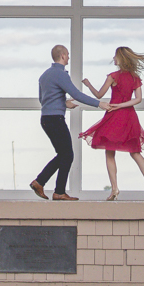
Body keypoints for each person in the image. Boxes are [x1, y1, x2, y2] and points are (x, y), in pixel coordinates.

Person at [80, 47, 144, 200]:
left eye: (115, 57)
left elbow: (99, 95)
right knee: (135, 152)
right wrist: (123, 105)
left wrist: (88, 84)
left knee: (109, 152)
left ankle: (115, 189)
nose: (113, 59)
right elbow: (138, 99)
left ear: (121, 59)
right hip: (129, 117)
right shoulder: (135, 77)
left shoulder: (113, 76)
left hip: (114, 117)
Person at [30, 45, 101, 201]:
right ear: (62, 56)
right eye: (67, 55)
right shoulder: (60, 74)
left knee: (63, 154)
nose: (68, 57)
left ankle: (41, 183)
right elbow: (76, 94)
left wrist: (63, 102)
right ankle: (57, 191)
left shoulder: (44, 75)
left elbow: (43, 100)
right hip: (56, 119)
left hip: (46, 119)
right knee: (67, 154)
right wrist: (99, 104)